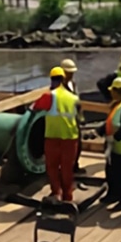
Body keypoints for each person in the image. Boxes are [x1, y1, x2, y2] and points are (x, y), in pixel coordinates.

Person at [31, 67, 82, 203]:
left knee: (52, 166)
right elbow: (80, 117)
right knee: (67, 168)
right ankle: (68, 197)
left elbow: (35, 107)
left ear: (51, 80)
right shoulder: (74, 98)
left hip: (53, 137)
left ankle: (56, 193)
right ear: (64, 79)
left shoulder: (49, 96)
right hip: (71, 138)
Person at [95, 77, 121, 211]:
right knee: (110, 171)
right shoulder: (116, 105)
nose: (111, 93)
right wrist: (99, 131)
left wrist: (114, 137)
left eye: (113, 91)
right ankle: (112, 194)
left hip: (120, 146)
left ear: (119, 92)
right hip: (112, 146)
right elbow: (110, 121)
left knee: (119, 173)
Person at [60, 58, 88, 175]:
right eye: (68, 73)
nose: (70, 75)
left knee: (77, 144)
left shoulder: (73, 84)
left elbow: (77, 101)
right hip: (63, 121)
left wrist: (81, 118)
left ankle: (74, 166)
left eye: (71, 73)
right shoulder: (58, 87)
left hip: (74, 119)